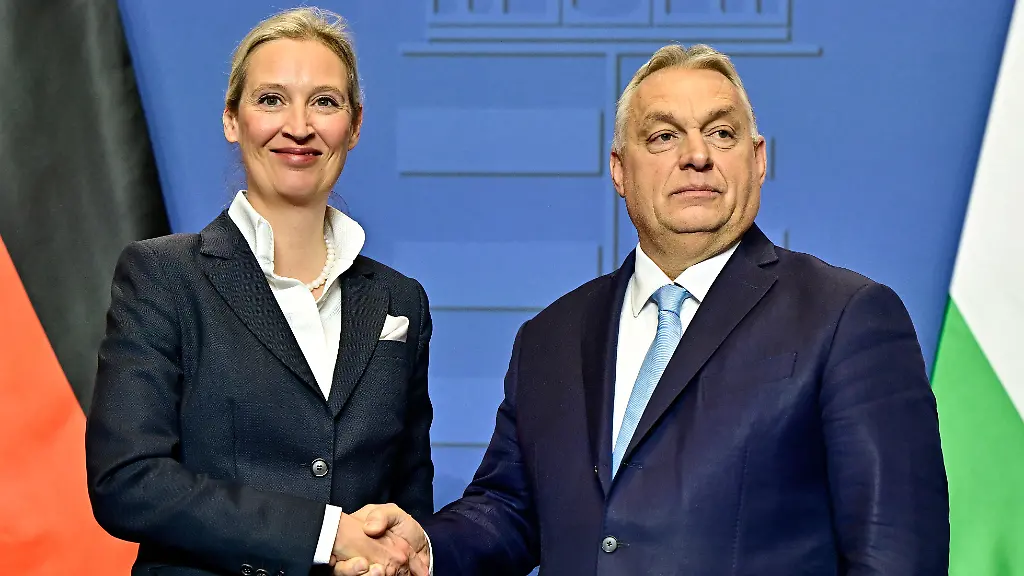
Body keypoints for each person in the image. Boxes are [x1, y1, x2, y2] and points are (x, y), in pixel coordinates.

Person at [338, 43, 950, 575]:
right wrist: (427, 551)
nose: (697, 156)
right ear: (619, 171)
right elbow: (510, 509)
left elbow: (896, 555)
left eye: (721, 133)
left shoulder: (847, 317)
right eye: (663, 136)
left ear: (758, 160)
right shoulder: (550, 337)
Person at [85, 7, 431, 576]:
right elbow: (128, 479)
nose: (299, 126)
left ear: (355, 123)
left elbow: (407, 500)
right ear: (231, 118)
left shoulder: (401, 302)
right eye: (271, 99)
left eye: (325, 101)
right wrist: (324, 536)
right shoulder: (163, 276)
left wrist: (395, 551)